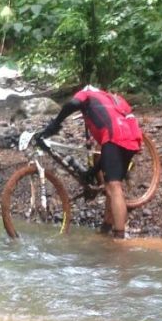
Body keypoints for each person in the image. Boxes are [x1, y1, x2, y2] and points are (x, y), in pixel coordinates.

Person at [36, 85, 143, 239]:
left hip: (114, 137)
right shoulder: (112, 98)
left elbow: (72, 104)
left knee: (114, 186)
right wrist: (93, 171)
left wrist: (55, 124)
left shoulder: (86, 93)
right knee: (110, 183)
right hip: (132, 139)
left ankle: (120, 239)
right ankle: (106, 228)